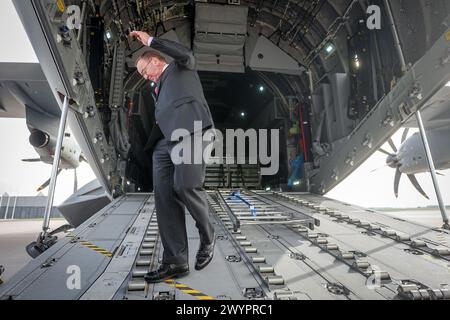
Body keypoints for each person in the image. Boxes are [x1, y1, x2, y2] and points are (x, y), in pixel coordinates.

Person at [130, 31, 216, 282]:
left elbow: (185, 53)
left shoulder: (182, 67)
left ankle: (208, 234)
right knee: (164, 199)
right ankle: (175, 261)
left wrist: (150, 41)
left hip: (192, 132)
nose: (145, 77)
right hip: (163, 144)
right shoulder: (157, 87)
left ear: (156, 60)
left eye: (146, 71)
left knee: (186, 186)